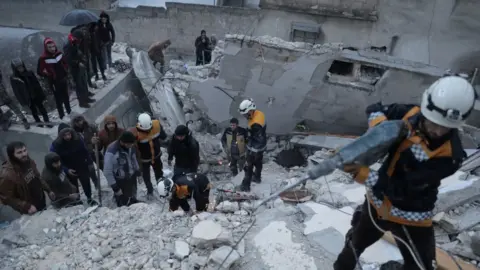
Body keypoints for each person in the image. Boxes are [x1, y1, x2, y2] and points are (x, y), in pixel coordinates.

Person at [332, 76, 474, 270]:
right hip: (377, 205)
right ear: (425, 109)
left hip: (412, 215)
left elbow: (401, 189)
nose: (438, 131)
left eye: (445, 127)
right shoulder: (408, 114)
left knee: (421, 266)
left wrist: (363, 175)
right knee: (354, 245)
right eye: (434, 123)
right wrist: (379, 129)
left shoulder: (450, 156)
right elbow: (375, 109)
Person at [0, 141, 54, 214]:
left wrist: (48, 190)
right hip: (29, 207)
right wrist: (26, 206)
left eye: (25, 150)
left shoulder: (28, 161)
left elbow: (37, 177)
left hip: (40, 198)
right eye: (19, 152)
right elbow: (6, 197)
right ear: (12, 155)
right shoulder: (7, 174)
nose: (24, 154)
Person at [50, 123, 98, 206]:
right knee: (73, 186)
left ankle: (89, 198)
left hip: (81, 165)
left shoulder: (78, 139)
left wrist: (90, 163)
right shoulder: (55, 145)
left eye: (69, 134)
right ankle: (77, 200)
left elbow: (85, 151)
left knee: (86, 182)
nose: (68, 137)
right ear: (61, 136)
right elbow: (55, 160)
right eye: (65, 135)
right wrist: (66, 170)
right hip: (69, 168)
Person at [130, 113, 167, 199]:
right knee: (146, 176)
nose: (147, 131)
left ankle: (161, 189)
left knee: (159, 174)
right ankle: (150, 191)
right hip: (144, 159)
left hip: (156, 156)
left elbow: (163, 136)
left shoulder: (157, 125)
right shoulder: (135, 133)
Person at [104, 131, 142, 207]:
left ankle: (133, 200)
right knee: (123, 200)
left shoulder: (131, 146)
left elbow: (134, 159)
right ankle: (122, 205)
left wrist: (138, 172)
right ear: (122, 142)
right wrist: (115, 188)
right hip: (120, 179)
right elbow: (107, 172)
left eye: (132, 144)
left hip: (131, 176)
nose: (131, 145)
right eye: (129, 144)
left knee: (133, 193)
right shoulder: (111, 152)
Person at [37, 37, 72, 120]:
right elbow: (39, 71)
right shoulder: (43, 58)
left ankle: (69, 112)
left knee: (66, 97)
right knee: (58, 100)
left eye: (53, 46)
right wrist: (48, 74)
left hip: (63, 79)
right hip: (54, 82)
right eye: (50, 47)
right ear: (46, 48)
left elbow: (65, 62)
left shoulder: (59, 53)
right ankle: (62, 116)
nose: (52, 49)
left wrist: (65, 68)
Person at [236, 98, 267, 192]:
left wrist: (249, 147)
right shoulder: (259, 113)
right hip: (261, 146)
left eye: (246, 114)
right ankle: (257, 178)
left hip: (255, 148)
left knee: (248, 166)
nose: (245, 116)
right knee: (258, 163)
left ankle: (245, 186)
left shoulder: (256, 124)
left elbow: (257, 138)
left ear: (251, 110)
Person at [10, 58, 50, 126]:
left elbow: (37, 84)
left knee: (42, 108)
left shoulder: (29, 73)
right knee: (34, 111)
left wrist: (42, 94)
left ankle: (47, 121)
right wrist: (22, 102)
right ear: (15, 69)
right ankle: (39, 122)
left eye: (21, 66)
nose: (21, 68)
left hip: (35, 94)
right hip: (27, 97)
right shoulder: (14, 78)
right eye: (18, 67)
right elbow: (17, 92)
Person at [64, 29, 95, 108]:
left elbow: (78, 53)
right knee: (79, 86)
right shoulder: (68, 45)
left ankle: (86, 97)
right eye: (80, 39)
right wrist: (78, 63)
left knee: (84, 83)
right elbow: (68, 59)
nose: (80, 40)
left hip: (81, 67)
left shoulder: (75, 43)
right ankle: (82, 102)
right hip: (75, 69)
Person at [70, 114, 100, 189]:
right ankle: (96, 183)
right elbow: (78, 146)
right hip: (85, 155)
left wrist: (96, 140)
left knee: (102, 164)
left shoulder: (90, 127)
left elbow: (98, 137)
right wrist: (90, 142)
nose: (80, 123)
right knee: (91, 169)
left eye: (80, 120)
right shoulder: (73, 133)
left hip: (95, 150)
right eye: (77, 121)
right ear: (74, 123)